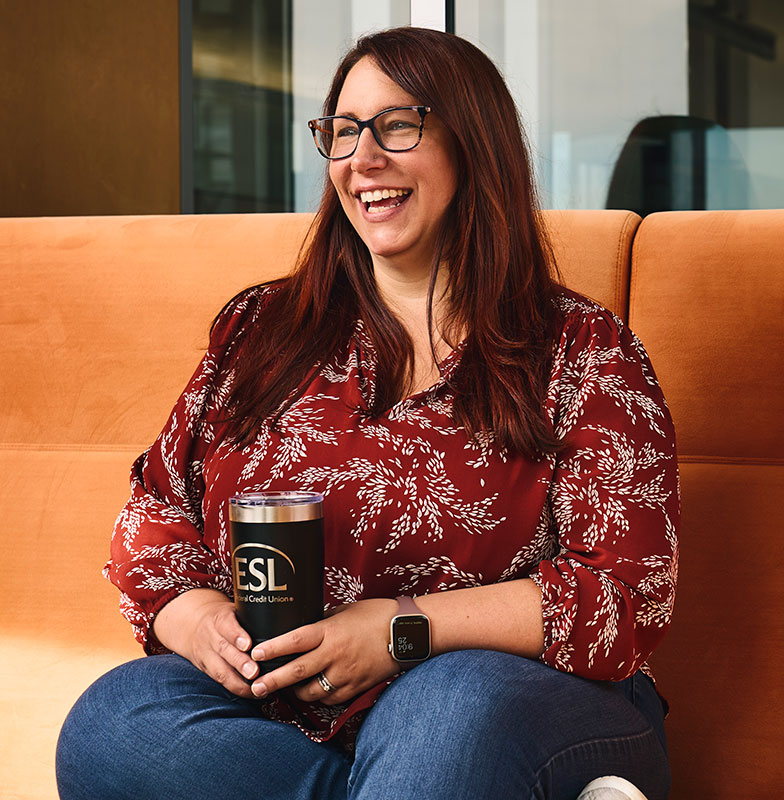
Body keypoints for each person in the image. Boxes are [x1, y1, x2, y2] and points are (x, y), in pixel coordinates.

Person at [56, 27, 678, 800]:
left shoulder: (584, 349)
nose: (361, 160)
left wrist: (400, 630)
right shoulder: (262, 329)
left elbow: (625, 595)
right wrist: (194, 616)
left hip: (523, 703)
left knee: (445, 712)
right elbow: (156, 512)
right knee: (114, 720)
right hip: (292, 720)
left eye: (396, 126)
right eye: (343, 132)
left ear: (472, 142)